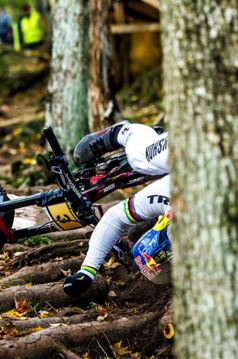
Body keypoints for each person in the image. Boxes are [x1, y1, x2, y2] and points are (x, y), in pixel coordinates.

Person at [63, 121, 169, 297]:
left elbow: (115, 217)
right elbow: (116, 217)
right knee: (141, 158)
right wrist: (88, 270)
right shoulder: (168, 195)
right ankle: (122, 132)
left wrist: (87, 271)